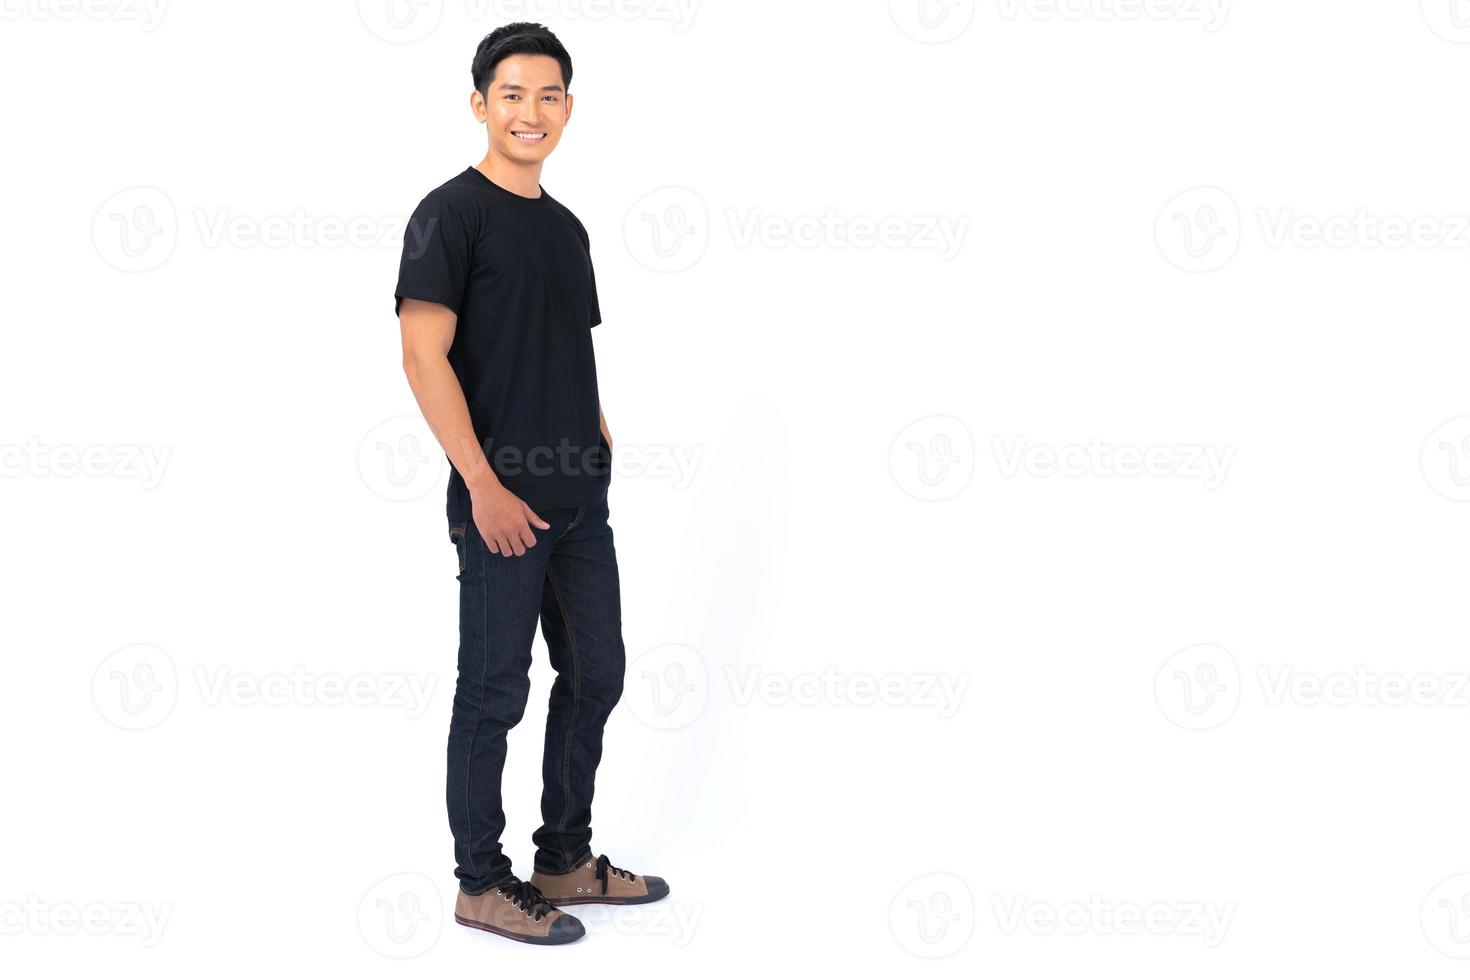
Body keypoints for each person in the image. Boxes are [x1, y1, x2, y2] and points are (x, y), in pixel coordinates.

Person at [393, 21, 668, 946]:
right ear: (480, 104)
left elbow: (565, 344)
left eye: (549, 95)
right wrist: (480, 482)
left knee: (598, 672)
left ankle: (563, 858)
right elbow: (422, 355)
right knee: (494, 692)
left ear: (569, 110)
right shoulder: (447, 215)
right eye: (512, 94)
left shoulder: (566, 226)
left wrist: (596, 433)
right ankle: (480, 881)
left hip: (578, 499)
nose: (531, 112)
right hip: (500, 499)